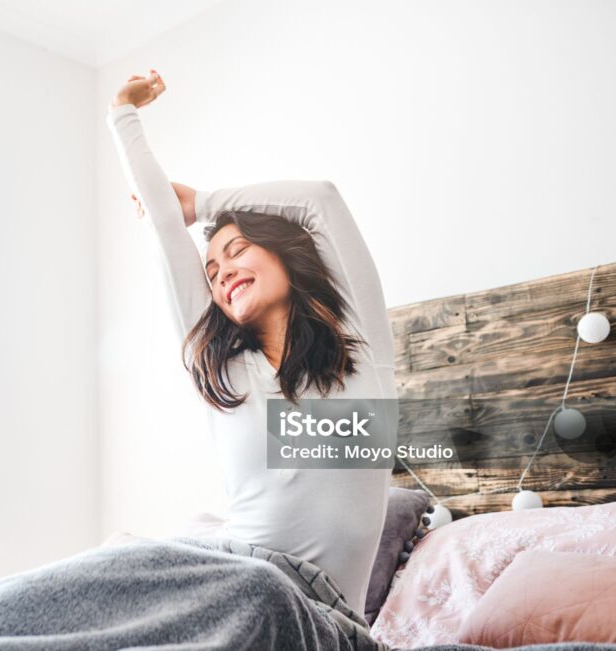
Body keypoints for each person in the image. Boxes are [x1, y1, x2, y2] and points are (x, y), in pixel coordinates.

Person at [104, 69, 397, 617]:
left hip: (315, 618)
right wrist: (122, 113)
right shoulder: (227, 376)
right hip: (228, 580)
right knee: (107, 566)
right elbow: (164, 226)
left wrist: (208, 205)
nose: (221, 274)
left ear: (283, 256)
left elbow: (321, 200)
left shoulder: (364, 357)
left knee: (257, 595)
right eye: (211, 270)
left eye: (238, 251)